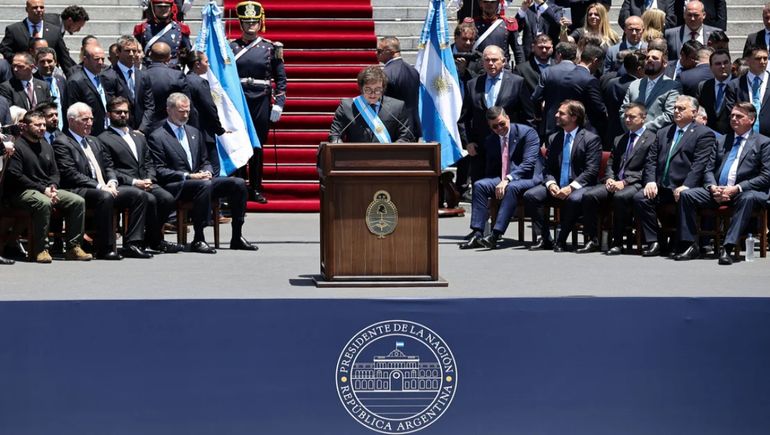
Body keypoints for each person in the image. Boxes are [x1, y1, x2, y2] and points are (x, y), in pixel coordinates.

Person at [147, 93, 258, 253]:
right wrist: (188, 176)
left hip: (200, 180)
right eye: (181, 111)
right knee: (203, 185)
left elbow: (205, 160)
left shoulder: (193, 132)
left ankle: (237, 235)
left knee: (238, 184)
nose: (185, 115)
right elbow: (160, 170)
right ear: (169, 110)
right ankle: (199, 237)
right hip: (176, 184)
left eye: (187, 111)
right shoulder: (157, 136)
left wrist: (208, 171)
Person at [53, 102, 152, 260]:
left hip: (103, 186)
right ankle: (104, 247)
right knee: (104, 197)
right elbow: (70, 174)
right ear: (71, 121)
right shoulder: (62, 142)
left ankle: (133, 243)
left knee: (138, 195)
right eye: (85, 119)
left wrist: (112, 181)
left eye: (91, 119)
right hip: (79, 189)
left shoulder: (94, 140)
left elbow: (108, 165)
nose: (90, 123)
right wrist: (100, 186)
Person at [677, 103, 770, 264]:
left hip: (744, 191)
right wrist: (713, 187)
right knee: (687, 195)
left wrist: (736, 188)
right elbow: (708, 169)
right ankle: (691, 245)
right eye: (732, 115)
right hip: (717, 190)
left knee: (747, 198)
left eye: (739, 116)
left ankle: (727, 248)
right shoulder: (721, 140)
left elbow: (766, 176)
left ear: (751, 119)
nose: (734, 119)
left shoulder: (763, 143)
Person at [3, 110, 92, 263]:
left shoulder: (46, 145)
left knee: (77, 201)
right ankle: (41, 249)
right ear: (26, 126)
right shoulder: (17, 145)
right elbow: (16, 176)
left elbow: (55, 172)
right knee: (43, 203)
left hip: (47, 189)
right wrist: (43, 190)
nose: (42, 128)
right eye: (37, 125)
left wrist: (52, 186)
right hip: (22, 192)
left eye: (44, 124)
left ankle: (73, 248)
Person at [98, 97, 183, 254]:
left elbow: (149, 162)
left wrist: (149, 179)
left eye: (125, 112)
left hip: (146, 181)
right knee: (148, 199)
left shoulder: (138, 136)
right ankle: (133, 243)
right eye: (118, 112)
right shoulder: (103, 139)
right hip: (125, 184)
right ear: (108, 115)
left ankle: (152, 239)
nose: (123, 115)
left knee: (167, 198)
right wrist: (135, 182)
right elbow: (108, 169)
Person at [633, 95, 716, 257]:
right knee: (640, 198)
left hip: (683, 186)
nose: (676, 111)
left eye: (681, 108)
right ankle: (655, 241)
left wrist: (687, 185)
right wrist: (650, 181)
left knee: (685, 196)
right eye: (675, 108)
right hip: (662, 187)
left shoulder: (704, 134)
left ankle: (687, 244)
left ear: (694, 112)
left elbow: (699, 164)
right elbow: (651, 160)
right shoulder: (663, 132)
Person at [460, 106, 542, 250]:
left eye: (502, 124)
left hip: (528, 177)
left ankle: (495, 234)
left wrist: (508, 179)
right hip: (503, 177)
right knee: (480, 185)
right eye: (495, 127)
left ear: (508, 118)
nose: (499, 128)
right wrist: (497, 181)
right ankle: (477, 233)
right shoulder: (491, 140)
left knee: (511, 187)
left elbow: (528, 164)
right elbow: (491, 167)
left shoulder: (527, 133)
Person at [524, 99, 602, 251]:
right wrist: (551, 183)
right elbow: (547, 168)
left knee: (574, 199)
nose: (556, 115)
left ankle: (561, 240)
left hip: (581, 185)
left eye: (561, 113)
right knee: (531, 195)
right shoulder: (554, 138)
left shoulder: (591, 139)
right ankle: (544, 238)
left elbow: (591, 171)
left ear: (574, 117)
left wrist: (571, 188)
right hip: (558, 184)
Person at [580, 103, 656, 254]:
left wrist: (625, 182)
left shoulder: (652, 139)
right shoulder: (619, 139)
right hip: (615, 181)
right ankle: (592, 239)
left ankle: (618, 242)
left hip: (636, 183)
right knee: (589, 196)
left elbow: (649, 167)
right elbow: (610, 163)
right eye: (626, 116)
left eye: (632, 117)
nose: (627, 120)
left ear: (643, 118)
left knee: (620, 198)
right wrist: (609, 178)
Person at [231, 1, 287, 204]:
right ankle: (237, 187)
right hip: (238, 100)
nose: (251, 25)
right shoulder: (232, 47)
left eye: (255, 21)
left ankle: (255, 187)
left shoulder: (271, 48)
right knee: (238, 144)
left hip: (260, 100)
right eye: (247, 22)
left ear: (261, 22)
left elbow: (281, 79)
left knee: (257, 146)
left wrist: (279, 103)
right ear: (241, 24)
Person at [459, 45, 535, 185]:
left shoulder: (517, 82)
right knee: (480, 190)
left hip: (509, 148)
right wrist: (468, 142)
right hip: (480, 150)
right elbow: (464, 119)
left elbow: (528, 116)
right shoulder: (473, 84)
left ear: (504, 61)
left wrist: (524, 143)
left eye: (494, 60)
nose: (490, 64)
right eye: (487, 60)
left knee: (506, 191)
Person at [533, 43, 607, 138]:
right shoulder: (590, 80)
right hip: (582, 131)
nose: (599, 67)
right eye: (600, 64)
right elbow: (599, 109)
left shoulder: (564, 75)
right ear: (595, 61)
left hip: (558, 127)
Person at [328, 65, 413, 144]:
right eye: (368, 90)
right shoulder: (347, 107)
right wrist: (339, 147)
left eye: (377, 90)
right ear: (361, 88)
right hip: (355, 158)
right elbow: (335, 135)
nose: (373, 95)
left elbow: (406, 137)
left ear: (383, 88)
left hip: (388, 158)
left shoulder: (397, 106)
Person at [0, 0, 76, 75]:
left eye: (42, 7)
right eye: (35, 7)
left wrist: (70, 77)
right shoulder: (14, 29)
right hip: (21, 75)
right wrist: (20, 59)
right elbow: (4, 49)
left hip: (46, 75)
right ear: (27, 9)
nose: (39, 10)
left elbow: (63, 57)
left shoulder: (54, 31)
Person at [65, 44, 127, 136]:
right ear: (85, 60)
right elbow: (73, 112)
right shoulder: (76, 82)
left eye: (103, 59)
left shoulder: (103, 77)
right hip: (90, 133)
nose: (101, 62)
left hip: (107, 130)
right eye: (97, 59)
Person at [184, 51, 227, 175]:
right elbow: (210, 108)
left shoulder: (183, 79)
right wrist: (219, 129)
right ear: (197, 64)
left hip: (187, 131)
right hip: (203, 132)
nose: (208, 65)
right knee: (213, 169)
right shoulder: (200, 82)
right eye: (206, 62)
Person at [622, 48, 682, 132]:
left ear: (664, 63)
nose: (650, 59)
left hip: (656, 138)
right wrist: (630, 127)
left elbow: (670, 114)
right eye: (647, 58)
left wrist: (643, 128)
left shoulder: (672, 86)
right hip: (632, 136)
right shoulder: (634, 84)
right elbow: (623, 110)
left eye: (655, 58)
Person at [109, 35, 154, 133]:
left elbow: (149, 106)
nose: (131, 54)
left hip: (141, 131)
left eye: (134, 51)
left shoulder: (143, 75)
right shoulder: (109, 75)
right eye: (127, 50)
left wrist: (142, 129)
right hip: (119, 130)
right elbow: (111, 105)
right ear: (118, 52)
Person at [378, 36, 421, 139]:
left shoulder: (385, 74)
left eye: (379, 51)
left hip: (393, 130)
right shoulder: (413, 71)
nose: (377, 53)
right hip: (412, 127)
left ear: (390, 51)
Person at [141, 41, 188, 130]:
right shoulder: (176, 76)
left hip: (144, 126)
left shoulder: (140, 75)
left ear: (150, 56)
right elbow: (186, 102)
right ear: (169, 58)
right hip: (169, 127)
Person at [725, 47, 770, 137]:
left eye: (765, 58)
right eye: (758, 58)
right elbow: (731, 111)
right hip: (744, 136)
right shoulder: (734, 85)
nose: (762, 62)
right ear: (747, 61)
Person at [464, 0, 525, 66]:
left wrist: (520, 72)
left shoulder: (508, 24)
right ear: (480, 3)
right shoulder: (471, 25)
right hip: (477, 71)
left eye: (492, 2)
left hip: (502, 70)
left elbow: (518, 53)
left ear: (498, 3)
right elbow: (463, 49)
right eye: (485, 2)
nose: (489, 4)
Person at [133, 0, 191, 67]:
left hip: (173, 71)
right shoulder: (141, 28)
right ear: (153, 8)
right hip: (148, 69)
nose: (163, 9)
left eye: (166, 6)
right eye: (159, 6)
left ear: (171, 8)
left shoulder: (181, 28)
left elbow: (187, 52)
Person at [696, 49, 732, 135]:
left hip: (732, 136)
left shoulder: (739, 85)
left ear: (731, 64)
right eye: (718, 64)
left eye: (726, 62)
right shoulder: (703, 86)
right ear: (711, 67)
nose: (723, 66)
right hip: (708, 135)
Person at [33, 47, 65, 131]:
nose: (46, 65)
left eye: (49, 61)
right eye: (42, 61)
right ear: (36, 64)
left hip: (61, 129)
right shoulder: (32, 82)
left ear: (56, 62)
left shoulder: (61, 80)